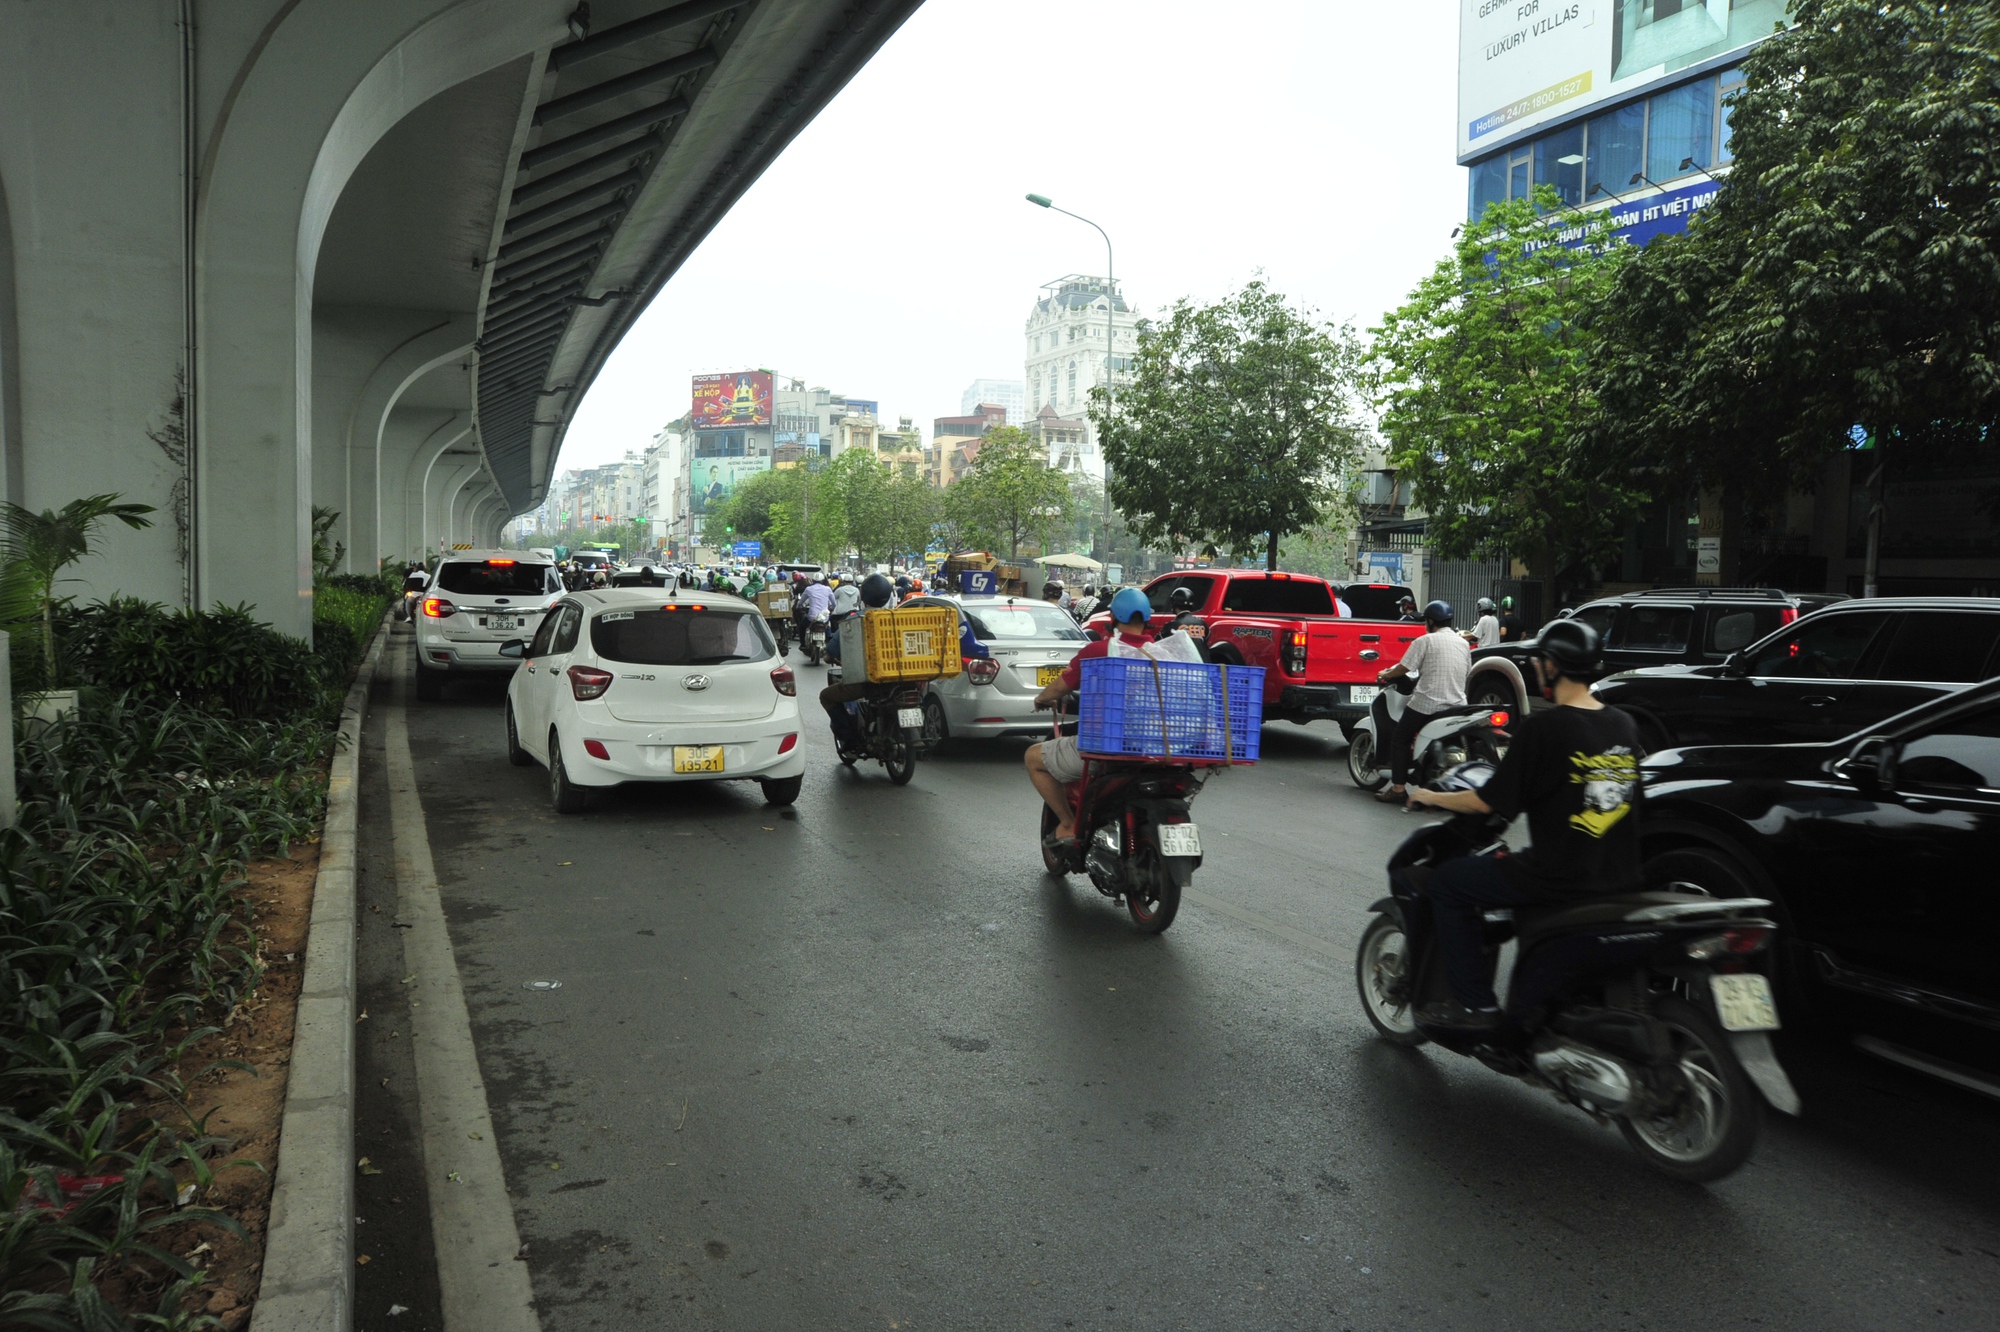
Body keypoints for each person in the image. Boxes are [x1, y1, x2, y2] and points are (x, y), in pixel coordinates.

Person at [1403, 618, 1643, 1031]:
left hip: (1557, 876)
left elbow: (1486, 802)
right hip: (1620, 876)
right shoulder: (1623, 723)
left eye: (1540, 663)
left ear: (1551, 667)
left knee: (1449, 883)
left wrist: (1428, 796)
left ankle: (1476, 1005)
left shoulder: (1545, 727)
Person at [1025, 588, 1155, 846]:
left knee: (1032, 757)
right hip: (1155, 748)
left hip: (1108, 746)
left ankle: (1067, 822)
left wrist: (1042, 698)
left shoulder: (1098, 650)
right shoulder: (1163, 654)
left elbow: (1063, 685)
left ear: (1114, 618)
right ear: (1147, 619)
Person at [1374, 599, 1470, 804]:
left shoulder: (1425, 641)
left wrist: (1388, 674)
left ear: (1430, 621)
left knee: (1400, 737)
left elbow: (1404, 668)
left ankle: (1399, 788)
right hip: (1457, 704)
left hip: (1429, 702)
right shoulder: (1463, 643)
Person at [820, 573, 897, 753]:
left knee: (826, 696)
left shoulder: (853, 621)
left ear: (863, 595)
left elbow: (830, 652)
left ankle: (849, 739)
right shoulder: (895, 619)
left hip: (864, 683)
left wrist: (829, 657)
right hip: (896, 680)